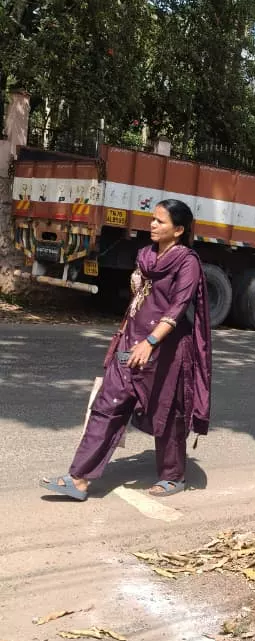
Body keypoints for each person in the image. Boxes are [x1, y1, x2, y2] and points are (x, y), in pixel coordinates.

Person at [41, 199, 211, 501]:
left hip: (165, 351)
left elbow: (177, 308)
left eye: (160, 221)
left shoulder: (188, 262)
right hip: (129, 345)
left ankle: (173, 476)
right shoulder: (145, 256)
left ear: (179, 230)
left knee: (167, 413)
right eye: (153, 219)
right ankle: (78, 479)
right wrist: (130, 338)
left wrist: (151, 342)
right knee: (107, 406)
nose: (153, 225)